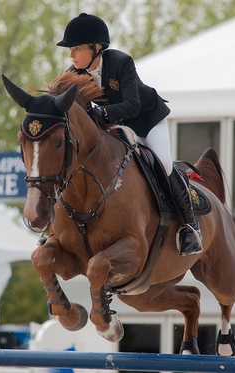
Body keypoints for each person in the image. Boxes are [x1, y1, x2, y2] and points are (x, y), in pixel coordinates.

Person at [56, 13, 202, 256]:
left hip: (146, 119)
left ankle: (190, 227)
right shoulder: (75, 75)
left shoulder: (121, 62)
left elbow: (132, 105)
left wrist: (99, 111)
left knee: (163, 163)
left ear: (96, 48)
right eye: (71, 49)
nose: (71, 54)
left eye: (77, 48)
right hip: (114, 129)